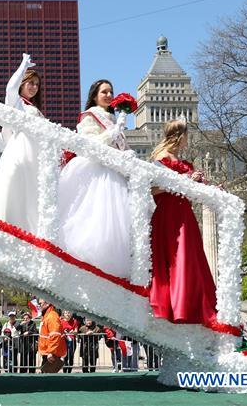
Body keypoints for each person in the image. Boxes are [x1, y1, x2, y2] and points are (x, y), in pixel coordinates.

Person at [56, 79, 132, 279]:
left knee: (116, 223)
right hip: (97, 171)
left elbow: (120, 145)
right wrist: (112, 133)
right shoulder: (89, 116)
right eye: (104, 92)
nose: (108, 95)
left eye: (111, 92)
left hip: (114, 171)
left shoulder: (114, 118)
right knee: (95, 217)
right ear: (94, 95)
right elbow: (89, 145)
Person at [149, 120, 218, 326]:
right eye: (187, 134)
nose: (188, 139)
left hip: (184, 213)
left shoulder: (185, 163)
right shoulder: (161, 159)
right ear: (179, 135)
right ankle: (175, 307)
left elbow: (188, 189)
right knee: (176, 258)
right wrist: (183, 181)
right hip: (168, 215)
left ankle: (190, 306)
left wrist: (198, 183)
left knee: (190, 258)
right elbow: (153, 189)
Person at [0, 53, 45, 232]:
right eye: (30, 83)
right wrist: (23, 66)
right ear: (22, 83)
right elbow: (10, 88)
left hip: (35, 156)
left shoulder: (33, 108)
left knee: (32, 197)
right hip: (20, 152)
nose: (34, 87)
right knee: (17, 193)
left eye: (37, 84)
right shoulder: (16, 102)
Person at [37, 299, 66, 373]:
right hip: (48, 352)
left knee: (48, 377)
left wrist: (51, 352)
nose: (39, 305)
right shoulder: (47, 316)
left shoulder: (51, 316)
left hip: (51, 353)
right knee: (46, 376)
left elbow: (55, 335)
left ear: (47, 303)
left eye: (40, 303)